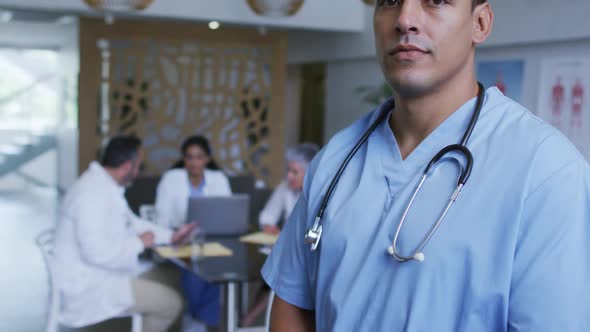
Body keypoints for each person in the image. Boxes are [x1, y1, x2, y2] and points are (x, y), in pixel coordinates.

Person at [262, 1, 590, 331]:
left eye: (436, 0)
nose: (405, 20)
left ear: (480, 23)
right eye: (389, 1)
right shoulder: (336, 159)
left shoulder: (546, 171)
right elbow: (293, 302)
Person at [53, 135, 195, 332]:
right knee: (170, 304)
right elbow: (96, 252)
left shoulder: (106, 187)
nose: (138, 172)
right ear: (128, 166)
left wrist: (171, 236)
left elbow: (133, 223)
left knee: (176, 278)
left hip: (106, 273)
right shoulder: (91, 194)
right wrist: (138, 244)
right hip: (90, 286)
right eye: (139, 166)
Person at [155, 135, 232, 330]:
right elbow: (161, 219)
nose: (194, 162)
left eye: (199, 157)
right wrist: (179, 232)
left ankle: (194, 320)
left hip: (211, 241)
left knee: (211, 268)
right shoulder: (171, 179)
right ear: (183, 159)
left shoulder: (218, 179)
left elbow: (228, 213)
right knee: (196, 271)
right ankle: (197, 322)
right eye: (189, 157)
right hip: (179, 242)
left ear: (207, 159)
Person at [240, 142, 319, 326]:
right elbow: (267, 216)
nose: (289, 176)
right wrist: (270, 226)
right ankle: (249, 319)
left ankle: (249, 318)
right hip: (287, 252)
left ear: (310, 171)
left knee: (281, 271)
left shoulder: (319, 192)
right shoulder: (285, 188)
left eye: (295, 172)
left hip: (308, 256)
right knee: (276, 268)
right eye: (288, 171)